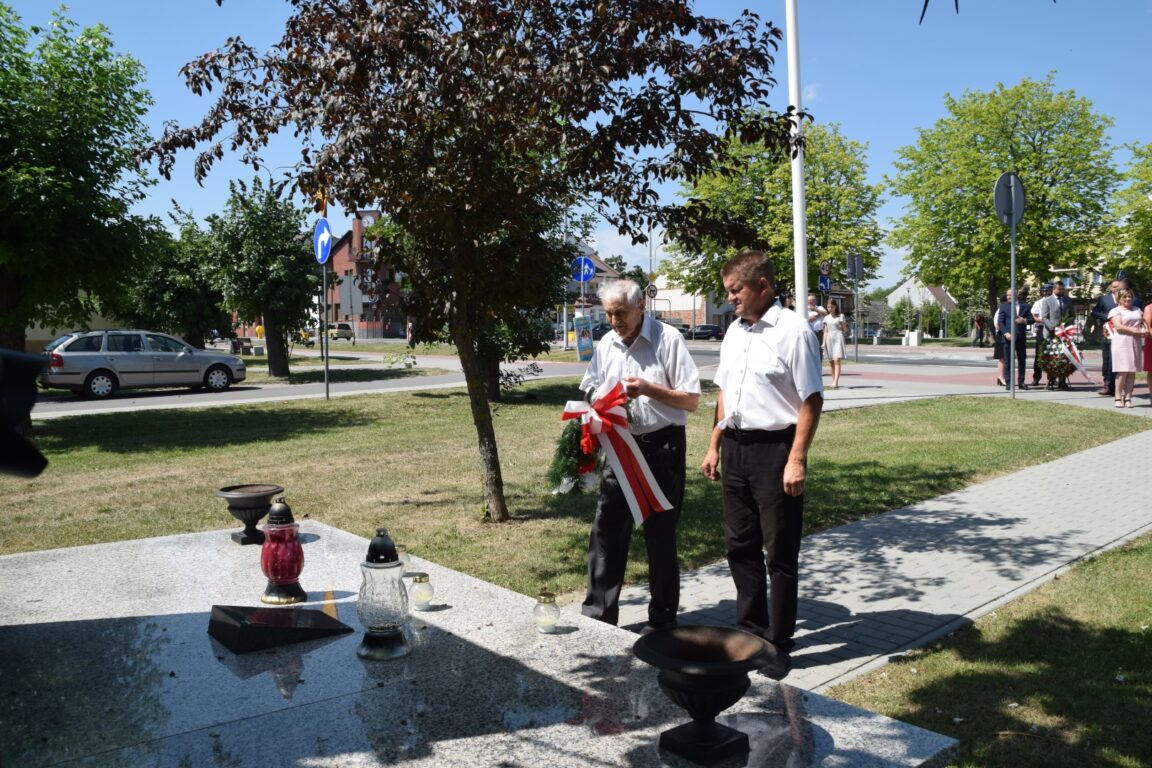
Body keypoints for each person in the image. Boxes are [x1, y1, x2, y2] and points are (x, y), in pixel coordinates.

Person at [701, 250, 823, 680]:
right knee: (740, 545)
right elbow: (724, 392)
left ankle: (778, 643)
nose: (729, 297)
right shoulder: (734, 331)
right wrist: (715, 443)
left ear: (763, 286)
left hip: (775, 450)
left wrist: (796, 459)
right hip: (735, 447)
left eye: (736, 290)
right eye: (727, 290)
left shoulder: (794, 331)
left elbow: (811, 399)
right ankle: (749, 630)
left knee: (780, 552)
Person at [579, 279, 701, 632]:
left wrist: (647, 389)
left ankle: (662, 620)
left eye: (620, 313)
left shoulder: (668, 340)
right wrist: (595, 404)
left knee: (660, 535)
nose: (614, 320)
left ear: (640, 308)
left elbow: (691, 400)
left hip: (662, 447)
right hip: (620, 447)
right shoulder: (607, 344)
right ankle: (599, 616)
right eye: (609, 314)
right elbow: (590, 384)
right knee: (606, 530)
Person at [1107, 288, 1146, 408]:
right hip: (1122, 341)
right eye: (1125, 297)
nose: (1128, 299)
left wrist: (1144, 330)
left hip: (1136, 342)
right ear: (1119, 298)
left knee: (1132, 371)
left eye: (1129, 297)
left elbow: (1143, 323)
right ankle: (1118, 397)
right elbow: (1118, 326)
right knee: (1123, 370)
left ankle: (1128, 397)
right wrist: (1135, 331)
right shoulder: (1115, 311)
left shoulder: (1137, 310)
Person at [1039, 280, 1076, 390]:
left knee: (1064, 356)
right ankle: (1051, 380)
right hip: (1051, 332)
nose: (1061, 291)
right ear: (1054, 289)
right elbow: (1044, 317)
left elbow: (1072, 316)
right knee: (1051, 356)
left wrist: (1067, 327)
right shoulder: (1047, 300)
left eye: (1063, 289)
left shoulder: (1068, 300)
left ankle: (1062, 381)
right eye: (1059, 289)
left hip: (1064, 332)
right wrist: (1053, 328)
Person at [997, 287, 1031, 389]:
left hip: (1020, 337)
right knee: (1008, 360)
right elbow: (1000, 322)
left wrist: (1024, 321)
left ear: (1016, 295)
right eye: (1007, 295)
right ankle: (1009, 383)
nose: (1008, 297)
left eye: (1010, 295)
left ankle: (1021, 382)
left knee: (1022, 360)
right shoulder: (1003, 306)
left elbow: (1031, 319)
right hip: (1008, 338)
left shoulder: (1025, 306)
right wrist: (1006, 333)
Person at [1092, 280, 1121, 396]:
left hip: (1122, 334)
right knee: (1107, 360)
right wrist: (1108, 317)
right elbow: (1094, 312)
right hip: (1107, 333)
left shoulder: (1129, 299)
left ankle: (1118, 385)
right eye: (1114, 287)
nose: (1117, 289)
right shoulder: (1104, 299)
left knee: (1119, 361)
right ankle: (1107, 385)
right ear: (1111, 288)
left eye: (1119, 287)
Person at [1030, 283, 1053, 386]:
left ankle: (1052, 378)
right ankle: (1036, 377)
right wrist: (1042, 320)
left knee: (1052, 354)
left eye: (1048, 291)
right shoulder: (1038, 302)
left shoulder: (1054, 302)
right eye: (1044, 291)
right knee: (1039, 354)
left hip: (1053, 329)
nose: (1046, 293)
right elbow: (1034, 316)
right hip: (1041, 328)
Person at [822, 300, 846, 389]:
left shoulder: (841, 316)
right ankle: (834, 381)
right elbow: (825, 331)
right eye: (828, 307)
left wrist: (844, 324)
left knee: (836, 360)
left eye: (831, 307)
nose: (830, 309)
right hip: (829, 338)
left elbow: (844, 329)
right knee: (831, 361)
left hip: (838, 337)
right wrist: (823, 343)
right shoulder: (826, 318)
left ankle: (836, 382)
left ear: (835, 306)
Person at [807, 295, 828, 361]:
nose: (810, 302)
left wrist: (815, 310)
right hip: (809, 332)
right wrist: (818, 315)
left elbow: (825, 313)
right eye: (809, 300)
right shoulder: (804, 308)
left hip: (819, 333)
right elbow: (805, 319)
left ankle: (819, 367)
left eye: (812, 300)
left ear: (815, 301)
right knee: (809, 350)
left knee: (819, 350)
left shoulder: (819, 307)